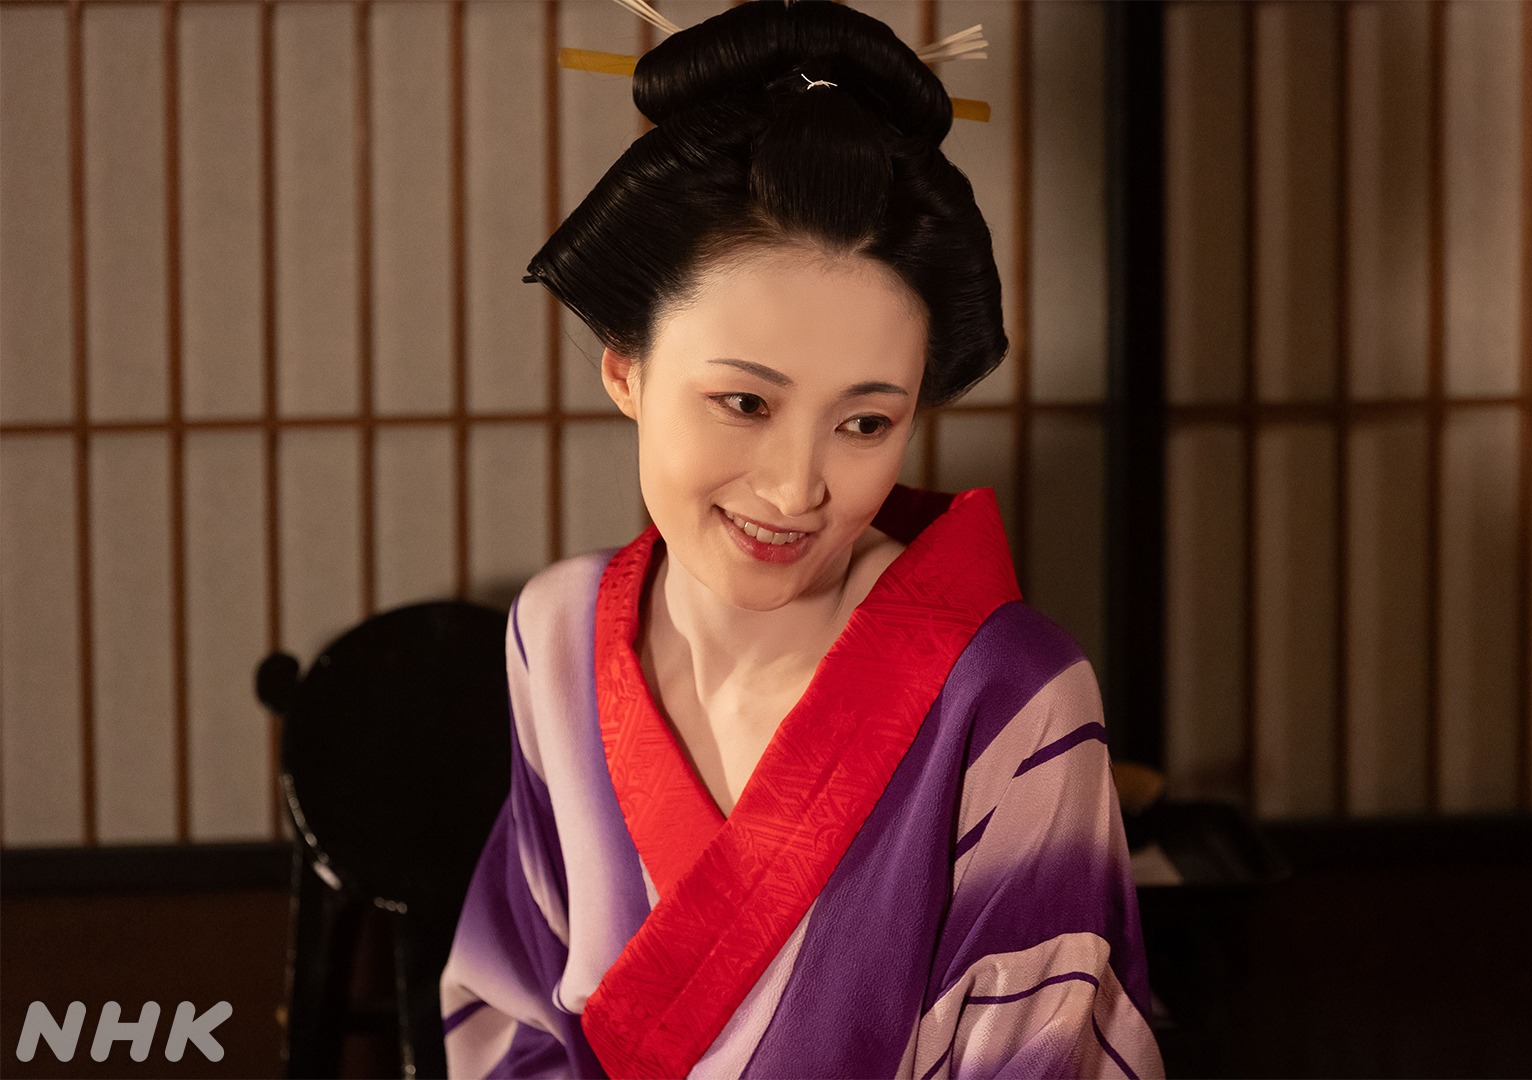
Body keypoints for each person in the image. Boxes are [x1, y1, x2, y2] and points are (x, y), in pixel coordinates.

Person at [438, 2, 1162, 1076]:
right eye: (744, 403)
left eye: (865, 423)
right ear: (626, 368)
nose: (796, 489)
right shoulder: (556, 634)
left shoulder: (1014, 695)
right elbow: (515, 1014)